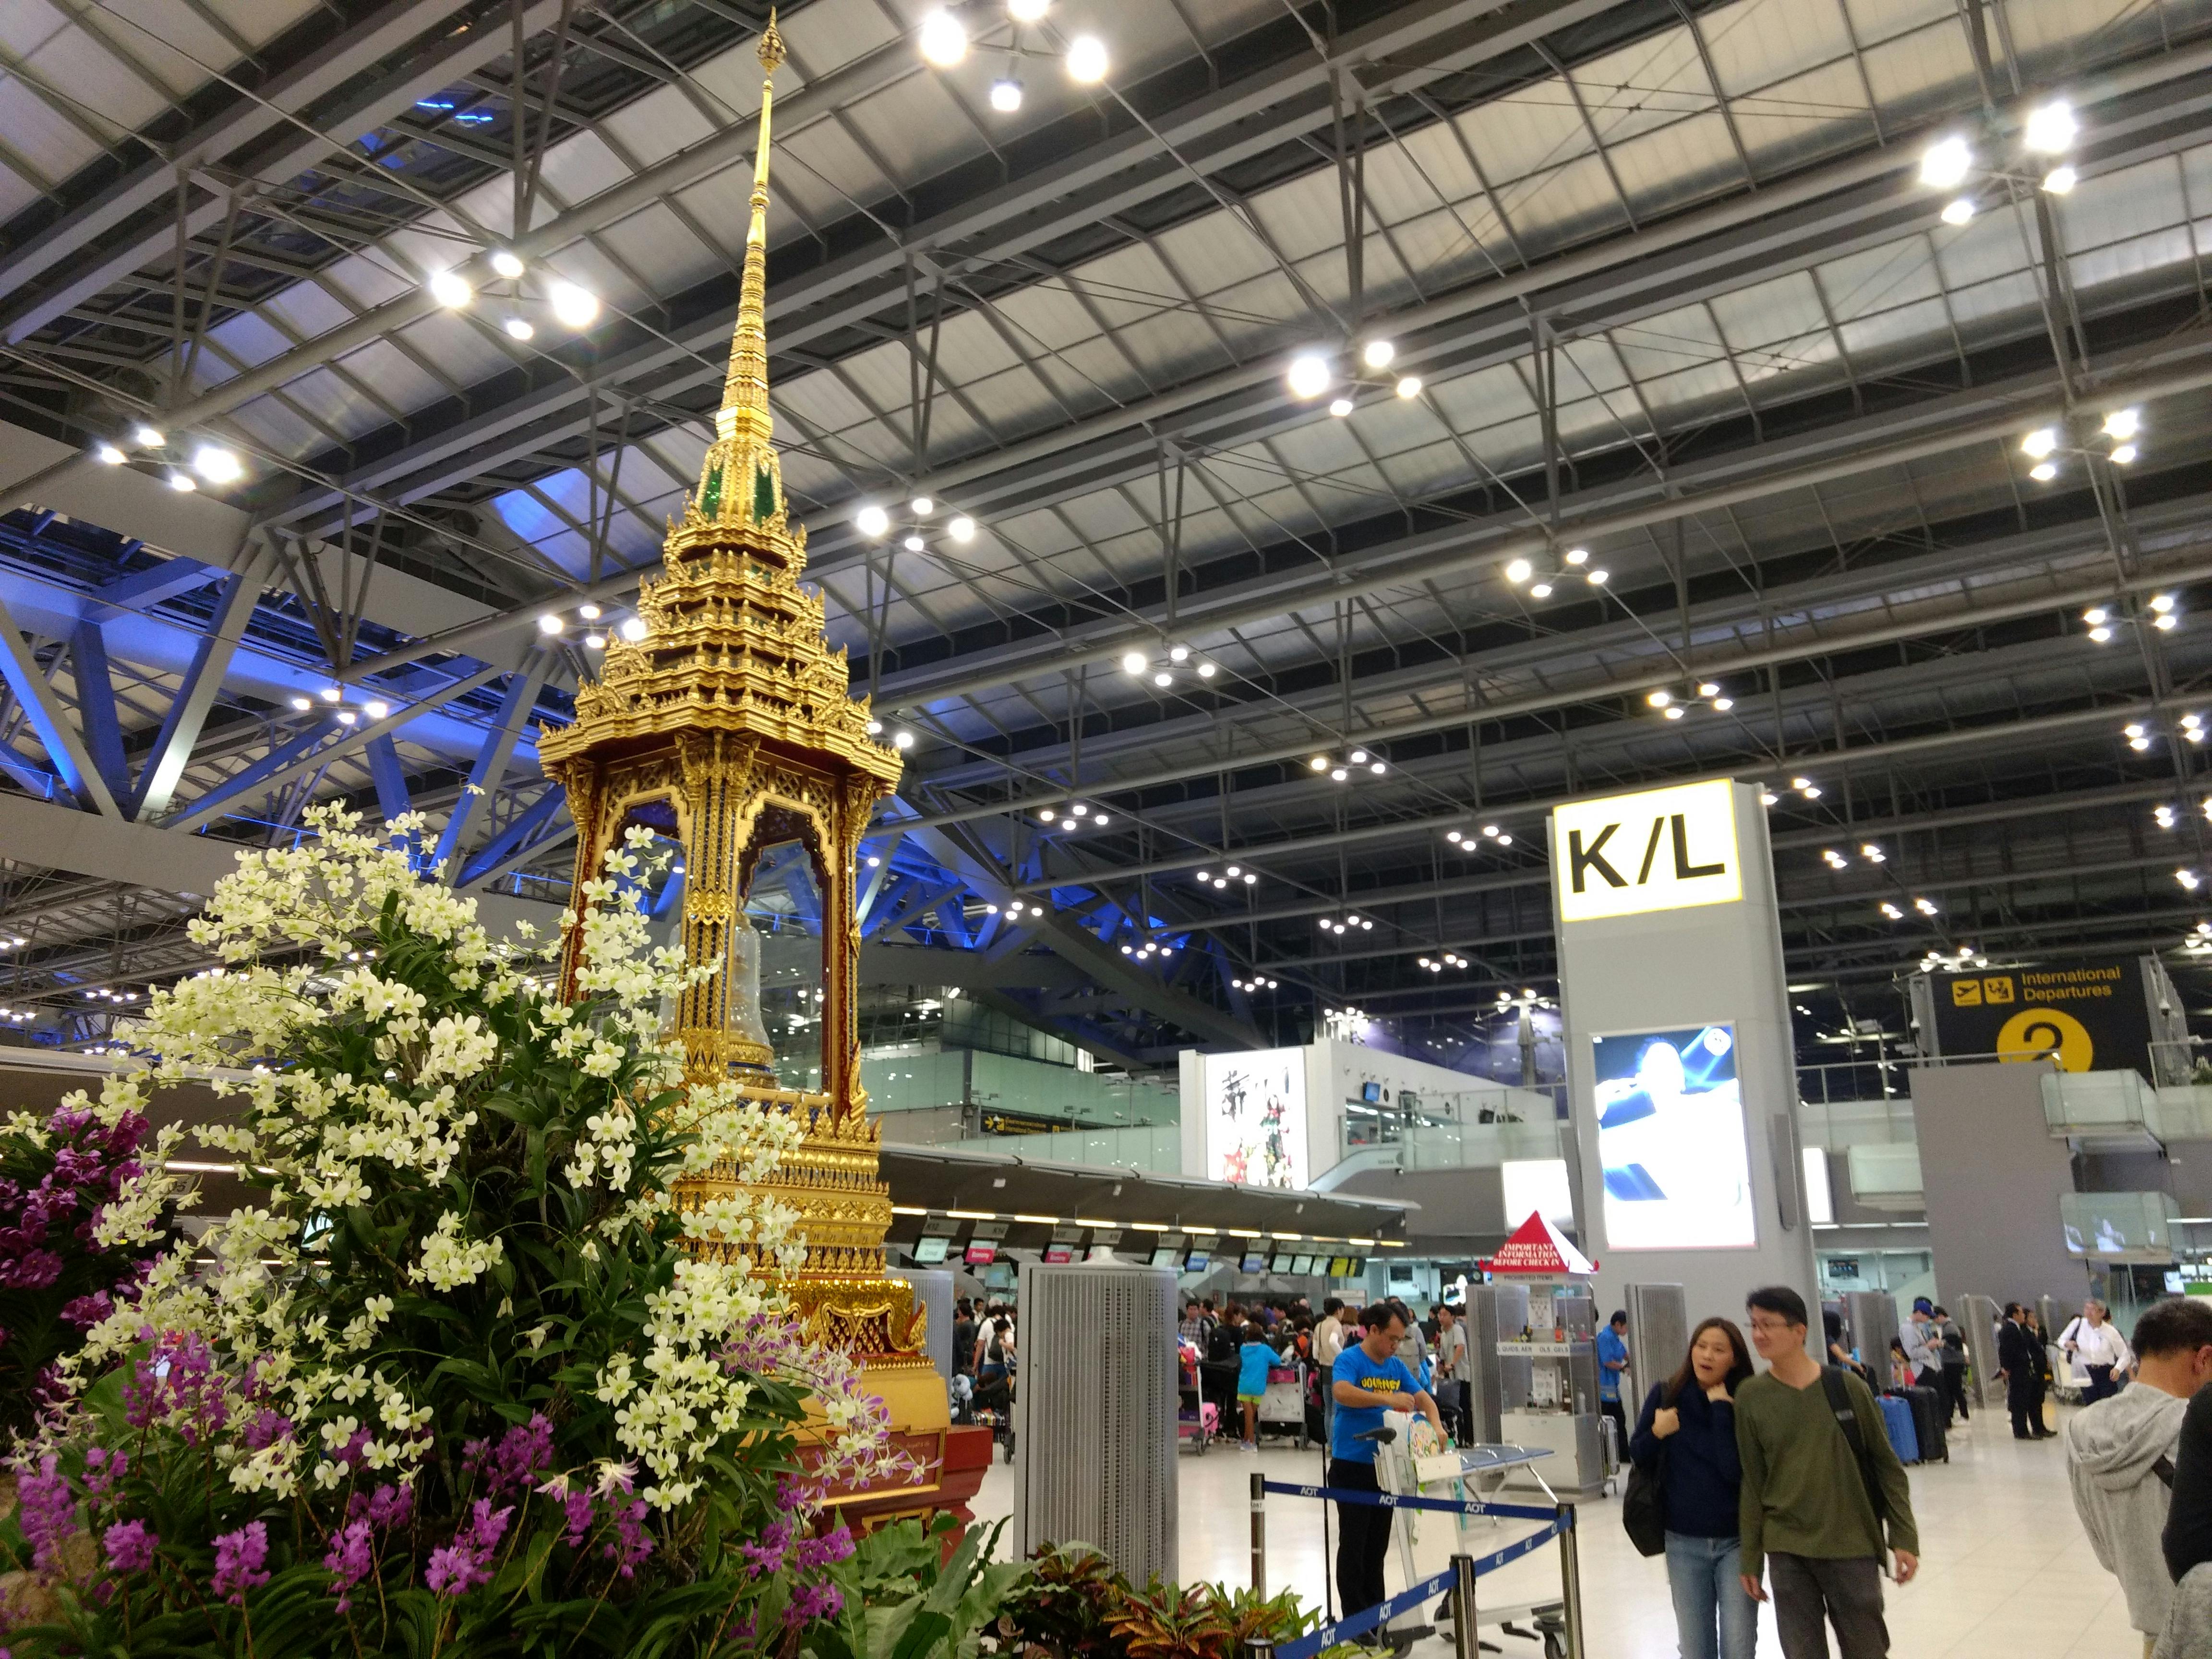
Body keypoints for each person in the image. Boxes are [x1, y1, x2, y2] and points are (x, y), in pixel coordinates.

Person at [1736, 1284, 1919, 1659]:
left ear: (1799, 1331)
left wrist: (1903, 1535)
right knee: (1801, 1652)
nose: (1758, 1334)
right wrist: (1751, 1556)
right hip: (1787, 1548)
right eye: (1753, 1325)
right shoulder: (1751, 1397)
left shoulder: (1845, 1387)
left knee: (1866, 1648)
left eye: (1768, 1325)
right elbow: (1753, 1484)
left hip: (1850, 1543)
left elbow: (1888, 1467)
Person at [2069, 1298, 2212, 1656]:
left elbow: (2104, 1553)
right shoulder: (2198, 1428)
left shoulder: (2082, 1430)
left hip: (2158, 1638)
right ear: (2204, 1358)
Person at [1630, 1316, 1757, 1659]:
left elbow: (1734, 1472)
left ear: (1734, 1359)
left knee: (1739, 1646)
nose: (1708, 1355)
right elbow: (1638, 1453)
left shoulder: (1744, 1402)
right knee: (1695, 1648)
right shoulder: (1667, 1393)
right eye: (1701, 1346)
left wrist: (1720, 1411)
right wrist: (1658, 1432)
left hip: (1737, 1542)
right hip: (1683, 1542)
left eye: (1719, 1349)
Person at [1330, 1302, 1444, 1619]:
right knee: (1354, 1544)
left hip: (1386, 1467)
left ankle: (1375, 1613)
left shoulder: (1395, 1367)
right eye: (1391, 1338)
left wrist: (1435, 1423)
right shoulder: (1350, 1359)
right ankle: (1354, 1619)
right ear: (1374, 1331)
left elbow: (1423, 1397)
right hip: (1352, 1465)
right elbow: (1341, 1392)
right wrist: (1386, 1399)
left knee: (1377, 1546)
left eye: (1400, 1340)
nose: (1395, 1346)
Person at [2062, 1300, 2135, 1405]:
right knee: (2090, 1406)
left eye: (2093, 1310)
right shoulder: (2077, 1324)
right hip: (2086, 1371)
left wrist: (2118, 1368)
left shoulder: (2111, 1331)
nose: (2089, 1313)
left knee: (2107, 1406)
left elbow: (2124, 1355)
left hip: (2106, 1372)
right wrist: (2067, 1344)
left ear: (2102, 1313)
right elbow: (2061, 1340)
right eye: (2087, 1309)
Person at [1998, 1303, 2052, 1441]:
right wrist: (2007, 1367)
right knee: (2019, 1401)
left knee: (2025, 1400)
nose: (2023, 1315)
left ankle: (2031, 1429)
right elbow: (2007, 1351)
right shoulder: (2010, 1330)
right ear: (2015, 1315)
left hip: (2024, 1370)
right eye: (2022, 1313)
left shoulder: (2017, 1329)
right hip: (2018, 1371)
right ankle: (2021, 1431)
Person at [1433, 1304, 1470, 1443]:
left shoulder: (1457, 1329)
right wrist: (1440, 1368)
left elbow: (1460, 1347)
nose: (1441, 1318)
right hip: (1452, 1378)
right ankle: (1458, 1438)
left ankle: (1468, 1438)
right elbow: (1442, 1356)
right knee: (1454, 1408)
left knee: (1464, 1408)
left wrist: (1453, 1364)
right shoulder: (1444, 1334)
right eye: (1439, 1315)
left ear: (1452, 1317)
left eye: (1444, 1315)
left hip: (1462, 1376)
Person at [1237, 1317, 1274, 1450]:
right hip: (1259, 1387)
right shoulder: (1265, 1349)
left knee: (1249, 1416)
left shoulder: (1243, 1349)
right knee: (1251, 1416)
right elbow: (1277, 1361)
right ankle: (1251, 1444)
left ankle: (1247, 1441)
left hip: (1244, 1385)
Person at [1599, 1310, 1631, 1455]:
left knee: (1620, 1421)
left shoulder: (1616, 1338)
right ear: (1618, 1324)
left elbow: (1625, 1354)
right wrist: (1624, 1368)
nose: (1627, 1330)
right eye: (1626, 1327)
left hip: (1613, 1389)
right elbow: (1607, 1362)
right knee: (1612, 1423)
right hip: (1605, 1391)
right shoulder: (1605, 1337)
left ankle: (1624, 1456)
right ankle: (1617, 1456)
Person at [1931, 1305, 1970, 1425]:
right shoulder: (1948, 1327)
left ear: (1941, 1316)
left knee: (1955, 1389)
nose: (1935, 1322)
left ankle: (1964, 1415)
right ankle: (1951, 1415)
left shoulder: (1950, 1328)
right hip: (1952, 1362)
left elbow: (1954, 1347)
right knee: (1952, 1390)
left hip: (1953, 1363)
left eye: (1936, 1319)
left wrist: (1941, 1344)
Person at [1316, 1298, 1346, 1440]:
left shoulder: (1319, 1326)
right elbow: (1333, 1341)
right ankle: (1334, 1444)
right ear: (1339, 1310)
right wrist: (1343, 1357)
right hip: (1336, 1368)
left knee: (1328, 1410)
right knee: (1336, 1410)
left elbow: (1315, 1351)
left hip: (1324, 1369)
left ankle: (1329, 1442)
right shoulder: (1336, 1325)